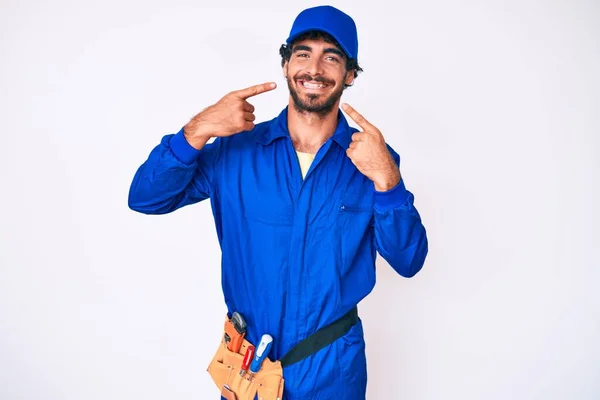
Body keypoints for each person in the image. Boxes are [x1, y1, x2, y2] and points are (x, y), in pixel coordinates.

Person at [128, 5, 428, 399]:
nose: (315, 68)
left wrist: (388, 181)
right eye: (303, 53)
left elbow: (409, 262)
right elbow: (146, 198)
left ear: (350, 74)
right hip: (250, 369)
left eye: (332, 57)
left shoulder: (372, 159)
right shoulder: (235, 152)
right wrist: (198, 130)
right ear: (286, 65)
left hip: (332, 369)